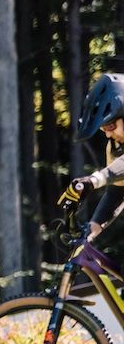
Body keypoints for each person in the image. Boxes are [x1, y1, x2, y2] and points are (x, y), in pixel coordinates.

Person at [62, 75, 124, 241]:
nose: (109, 133)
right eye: (104, 129)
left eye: (111, 125)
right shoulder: (114, 147)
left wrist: (94, 180)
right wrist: (89, 232)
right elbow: (117, 193)